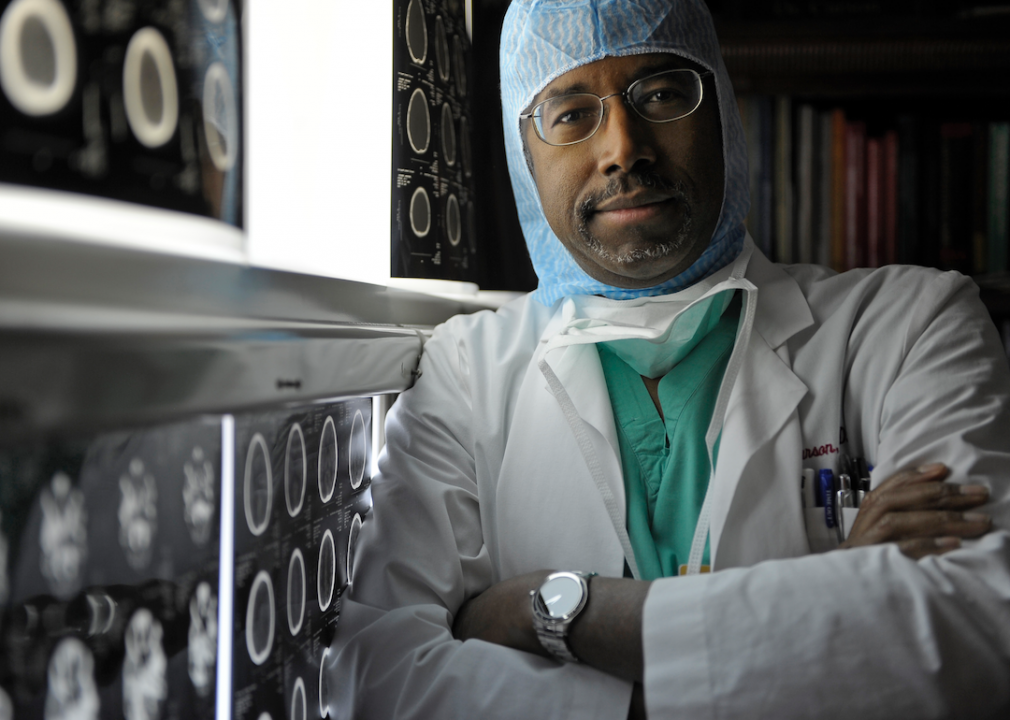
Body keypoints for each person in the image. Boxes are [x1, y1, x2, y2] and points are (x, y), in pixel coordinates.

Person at [327, 1, 1010, 717]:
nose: (624, 147)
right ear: (522, 153)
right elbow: (382, 680)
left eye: (660, 94)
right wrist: (835, 596)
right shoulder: (467, 371)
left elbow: (976, 630)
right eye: (569, 113)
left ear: (720, 109)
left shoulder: (907, 324)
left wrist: (549, 612)